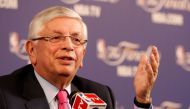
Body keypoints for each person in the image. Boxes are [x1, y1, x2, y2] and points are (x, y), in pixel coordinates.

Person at [0, 6, 160, 109]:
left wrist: (142, 99)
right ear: (32, 50)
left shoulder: (100, 94)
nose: (69, 46)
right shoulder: (4, 94)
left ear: (82, 55)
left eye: (76, 40)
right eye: (56, 38)